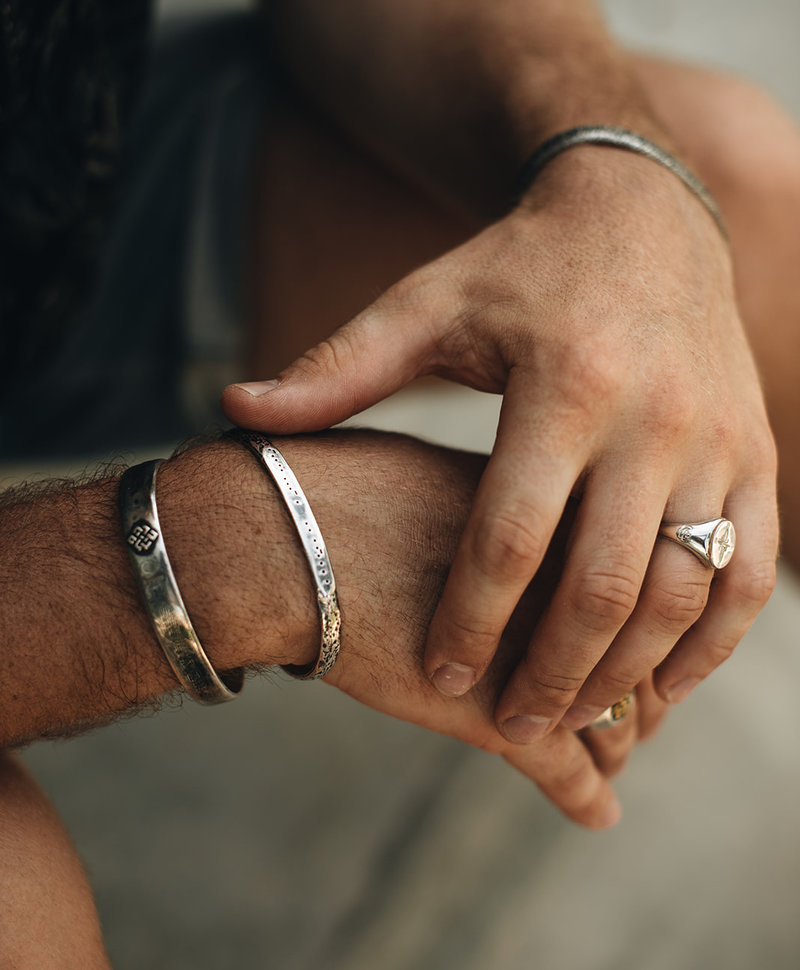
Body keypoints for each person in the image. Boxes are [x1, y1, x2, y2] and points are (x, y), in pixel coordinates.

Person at [1, 0, 798, 965]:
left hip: (54, 191)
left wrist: (619, 174)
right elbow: (231, 553)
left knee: (728, 179)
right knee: (21, 913)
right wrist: (229, 551)